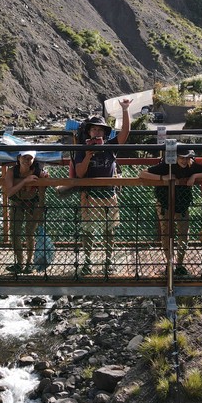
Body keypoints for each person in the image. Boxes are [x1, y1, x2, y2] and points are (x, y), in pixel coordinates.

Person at [73, 98, 132, 276]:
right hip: (89, 195)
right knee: (88, 230)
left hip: (108, 193)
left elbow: (125, 134)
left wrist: (125, 109)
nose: (97, 132)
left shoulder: (109, 146)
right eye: (94, 129)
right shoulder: (82, 149)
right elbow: (80, 173)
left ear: (105, 133)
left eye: (100, 129)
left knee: (109, 230)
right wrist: (88, 156)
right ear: (89, 132)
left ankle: (108, 260)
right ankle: (88, 261)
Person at [139, 148, 202, 276]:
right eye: (181, 157)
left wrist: (194, 176)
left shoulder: (192, 166)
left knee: (183, 233)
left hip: (182, 204)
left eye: (187, 158)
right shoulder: (166, 165)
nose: (184, 160)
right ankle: (169, 263)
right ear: (175, 157)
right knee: (166, 233)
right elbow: (142, 174)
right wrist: (163, 178)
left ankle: (180, 264)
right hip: (164, 202)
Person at [3, 150, 48, 274]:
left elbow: (42, 193)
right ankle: (19, 262)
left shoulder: (39, 173)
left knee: (30, 232)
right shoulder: (12, 171)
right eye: (24, 157)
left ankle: (29, 263)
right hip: (17, 202)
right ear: (18, 158)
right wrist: (24, 181)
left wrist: (41, 209)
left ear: (34, 160)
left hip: (33, 203)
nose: (27, 160)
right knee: (14, 233)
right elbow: (9, 192)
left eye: (30, 158)